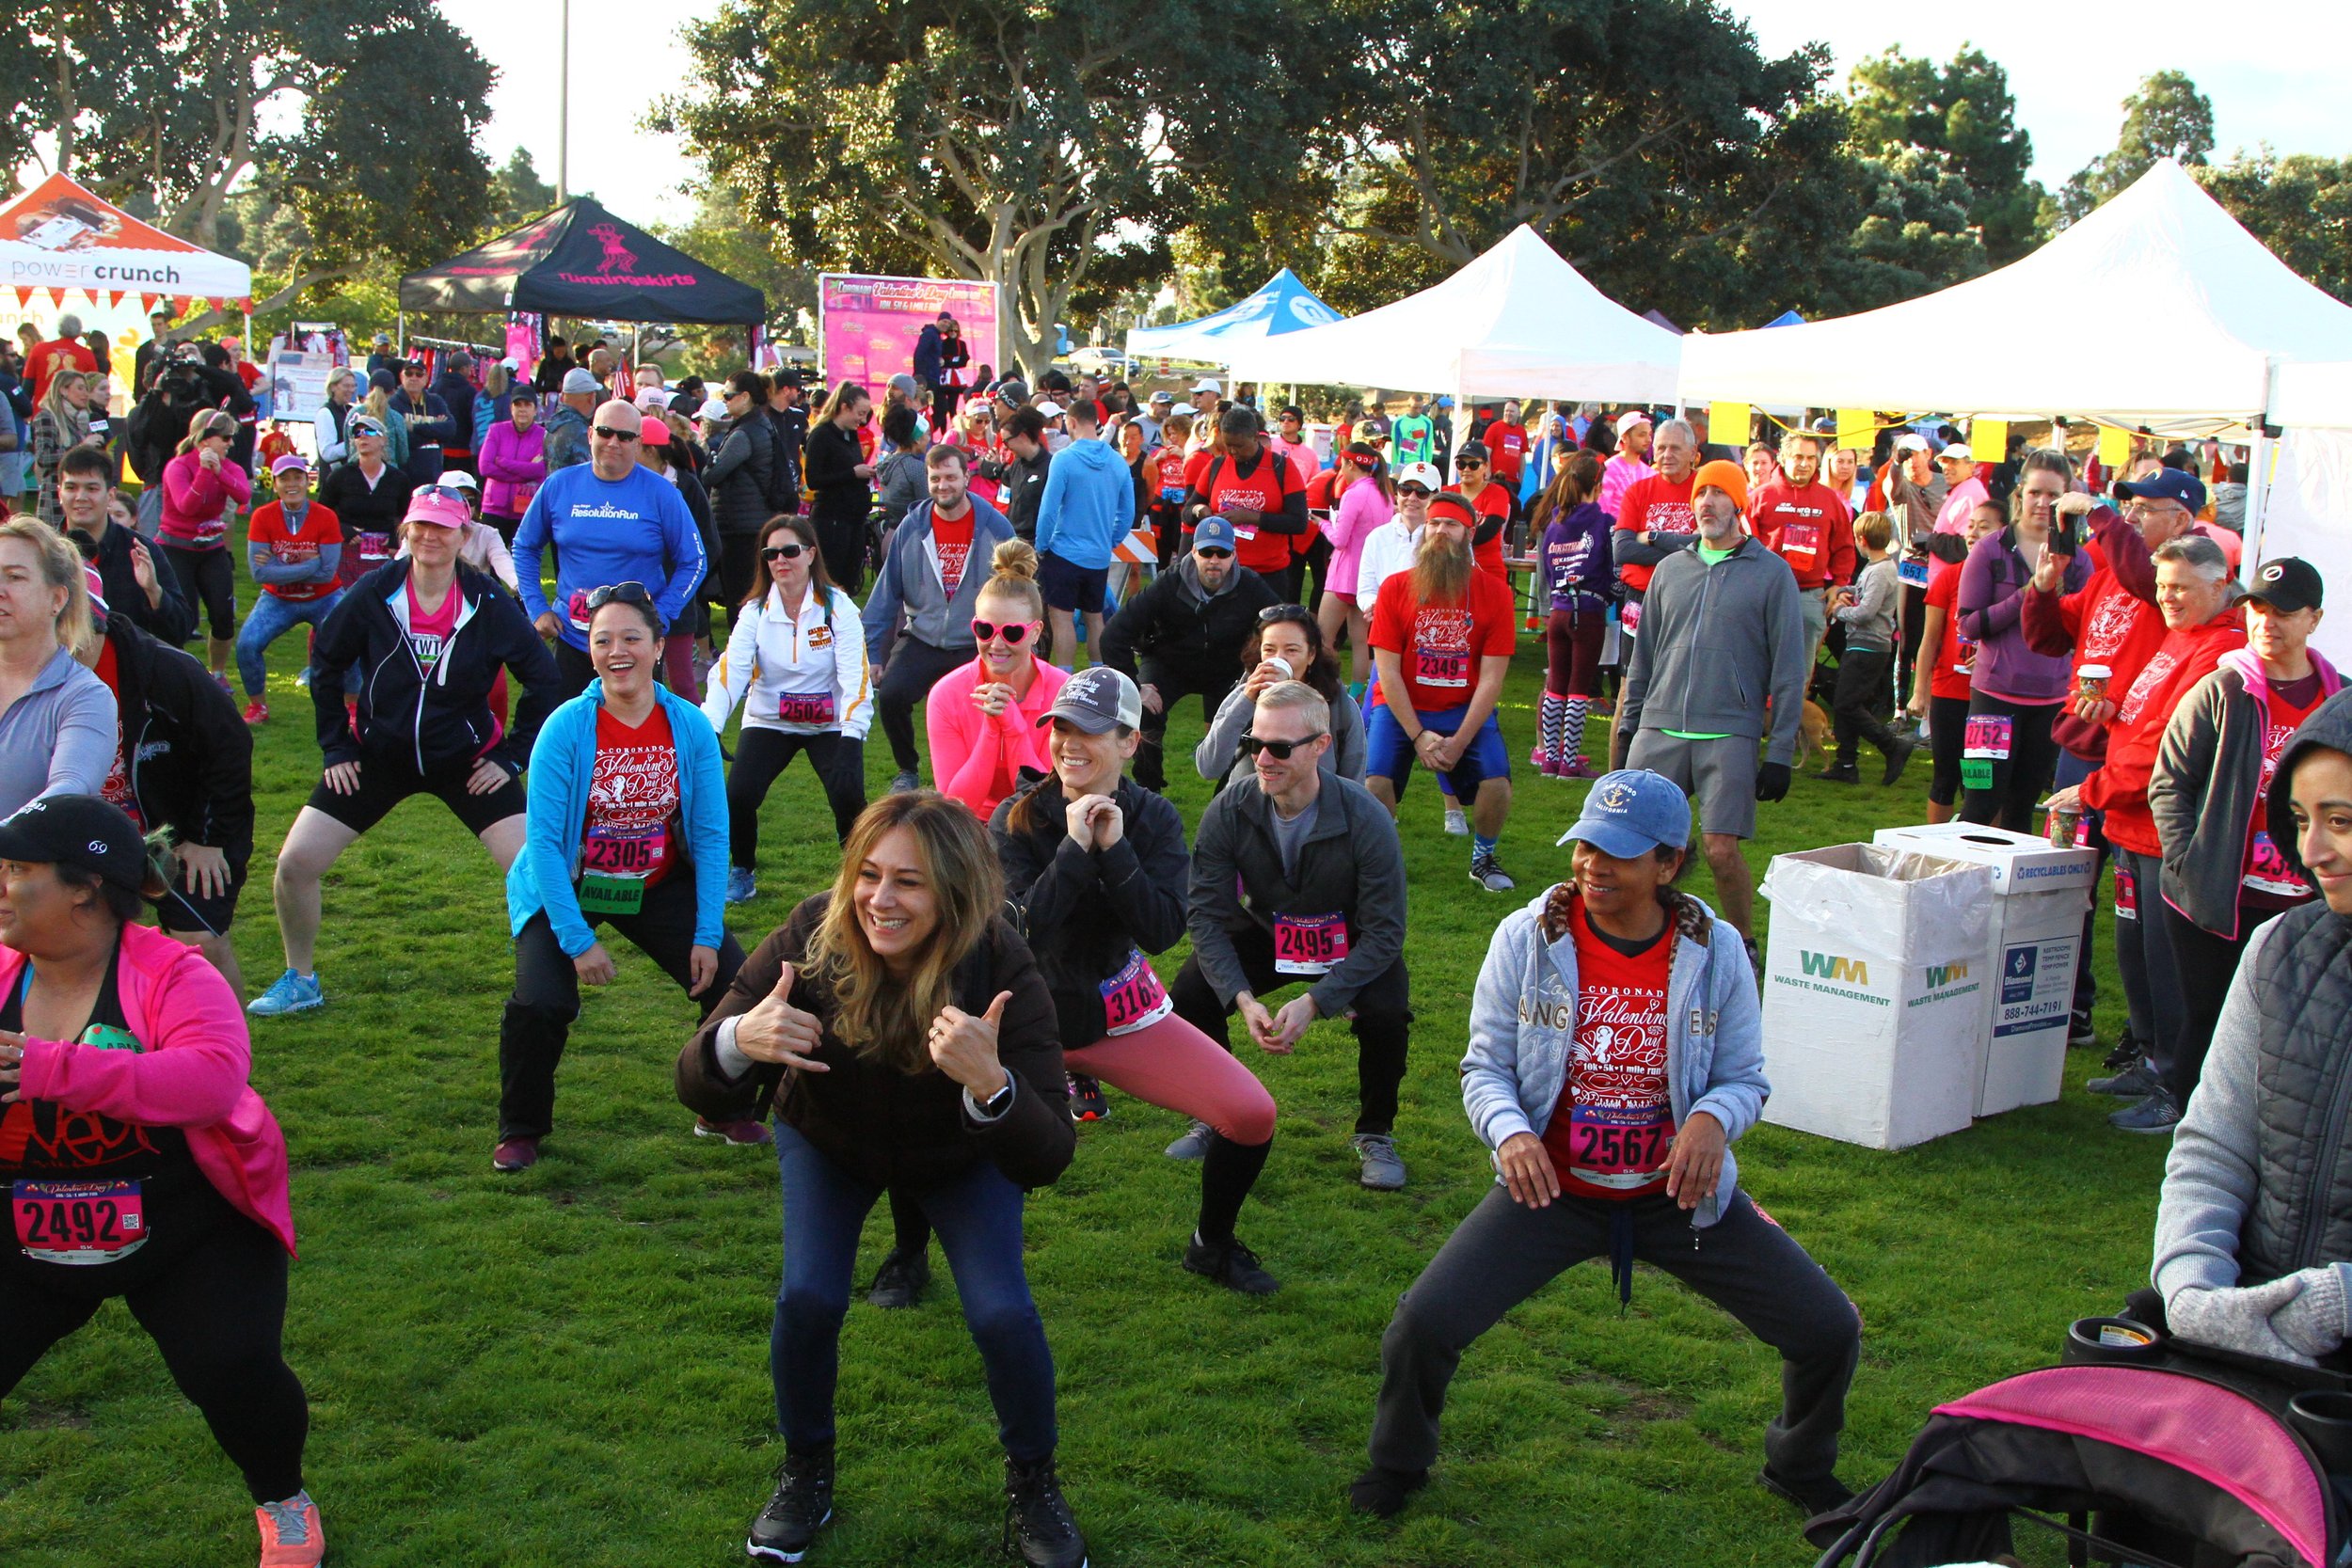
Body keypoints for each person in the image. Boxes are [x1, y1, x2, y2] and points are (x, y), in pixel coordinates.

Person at [1350, 769, 1860, 1524]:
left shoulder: (1717, 949)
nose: (1592, 863)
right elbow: (1483, 1064)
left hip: (1676, 1198)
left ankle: (1799, 1464)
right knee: (1422, 1324)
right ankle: (1397, 1463)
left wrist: (1712, 1120)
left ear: (1668, 864)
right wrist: (1512, 1131)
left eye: (1618, 853)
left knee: (1828, 1327)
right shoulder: (1528, 934)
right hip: (1547, 1192)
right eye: (1586, 844)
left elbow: (1746, 1077)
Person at [675, 791, 1088, 1568]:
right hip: (830, 1139)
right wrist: (738, 1039)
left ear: (956, 891)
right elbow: (694, 1079)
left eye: (910, 881)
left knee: (1002, 1311)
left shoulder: (999, 961)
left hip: (959, 1155)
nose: (880, 900)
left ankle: (1035, 1483)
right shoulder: (811, 935)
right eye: (868, 875)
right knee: (809, 1294)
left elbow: (1050, 1152)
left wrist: (992, 1086)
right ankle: (806, 1470)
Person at [0, 794, 325, 1568]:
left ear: (83, 887)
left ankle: (283, 1498)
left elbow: (212, 1079)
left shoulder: (176, 971)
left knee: (234, 1369)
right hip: (26, 1227)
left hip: (189, 1226)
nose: (1, 885)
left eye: (18, 871)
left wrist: (49, 1068)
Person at [1003, 667, 1281, 1289]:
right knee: (931, 1109)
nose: (1070, 743)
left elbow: (1161, 929)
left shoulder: (1154, 816)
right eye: (1062, 727)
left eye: (1091, 731)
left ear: (1129, 741)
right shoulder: (1016, 816)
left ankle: (1212, 1243)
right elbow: (1016, 932)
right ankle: (910, 1253)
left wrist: (1116, 848)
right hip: (1020, 1020)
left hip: (1117, 1013)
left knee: (1251, 1113)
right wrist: (1075, 851)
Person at [247, 490, 561, 1019]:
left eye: (442, 527)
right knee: (295, 863)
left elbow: (545, 681)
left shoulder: (487, 602)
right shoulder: (374, 592)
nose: (429, 536)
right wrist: (336, 747)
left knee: (537, 870)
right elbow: (326, 661)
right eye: (419, 526)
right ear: (404, 532)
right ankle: (300, 979)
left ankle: (544, 988)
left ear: (465, 537)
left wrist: (511, 757)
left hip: (467, 763)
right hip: (376, 757)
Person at [497, 585, 749, 1172]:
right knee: (541, 1002)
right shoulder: (564, 728)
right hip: (567, 887)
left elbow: (712, 837)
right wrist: (577, 941)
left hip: (656, 884)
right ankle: (522, 1129)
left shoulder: (688, 727)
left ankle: (721, 1106)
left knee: (736, 984)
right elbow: (542, 843)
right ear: (589, 650)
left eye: (632, 638)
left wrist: (707, 933)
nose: (617, 651)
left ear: (659, 646)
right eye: (602, 639)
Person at [2149, 690, 2352, 1370]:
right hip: (2243, 1332)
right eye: (2298, 818)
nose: (2313, 848)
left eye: (2342, 820)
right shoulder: (2277, 949)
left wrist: (2338, 1301)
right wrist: (2190, 1289)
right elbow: (2213, 1146)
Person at [1170, 681, 1412, 1190]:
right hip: (1270, 931)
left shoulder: (1366, 815)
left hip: (1352, 938)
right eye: (1254, 744)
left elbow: (1386, 932)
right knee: (1192, 992)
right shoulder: (1230, 808)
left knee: (1387, 1012)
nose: (1263, 758)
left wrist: (1319, 1000)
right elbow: (1207, 915)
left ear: (1321, 746)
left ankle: (1375, 1133)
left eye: (1279, 748)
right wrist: (1239, 996)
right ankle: (1216, 1115)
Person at [2043, 534, 2246, 1134]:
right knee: (2135, 955)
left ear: (2220, 584)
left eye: (2181, 586)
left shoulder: (2219, 651)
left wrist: (2092, 789)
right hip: (2131, 824)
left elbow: (2168, 750)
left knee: (2168, 964)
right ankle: (2153, 1057)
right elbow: (2147, 717)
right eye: (2162, 587)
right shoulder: (2180, 635)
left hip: (2165, 830)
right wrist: (2113, 714)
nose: (2168, 598)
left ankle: (2180, 1088)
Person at [2147, 557, 2337, 1141]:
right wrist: (2187, 860)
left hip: (2307, 895)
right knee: (2208, 1016)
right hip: (2220, 893)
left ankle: (2275, 1135)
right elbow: (2169, 781)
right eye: (2258, 607)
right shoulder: (2222, 688)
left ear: (2315, 619)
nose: (2267, 622)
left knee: (2298, 1021)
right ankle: (2194, 1132)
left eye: (2284, 612)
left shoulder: (2339, 701)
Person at [1613, 460, 1804, 946]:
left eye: (1719, 493)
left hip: (1728, 729)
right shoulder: (1669, 570)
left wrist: (1779, 750)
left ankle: (1743, 946)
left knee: (1720, 850)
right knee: (1633, 843)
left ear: (1739, 503)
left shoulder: (1772, 574)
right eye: (1701, 494)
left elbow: (1788, 668)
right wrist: (1629, 726)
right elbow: (1643, 658)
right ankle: (1638, 938)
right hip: (1660, 726)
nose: (1707, 503)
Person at [78, 582, 254, 989]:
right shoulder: (22, 667)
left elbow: (229, 747)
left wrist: (208, 838)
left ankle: (224, 1049)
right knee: (76, 943)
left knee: (199, 942)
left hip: (179, 827)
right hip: (85, 827)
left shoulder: (161, 668)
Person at [704, 515, 873, 897]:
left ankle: (859, 874)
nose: (781, 560)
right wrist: (711, 725)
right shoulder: (754, 612)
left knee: (848, 795)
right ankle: (742, 871)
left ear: (811, 554)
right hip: (769, 719)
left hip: (828, 722)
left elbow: (855, 678)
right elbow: (731, 671)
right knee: (739, 795)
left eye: (790, 551)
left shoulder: (839, 608)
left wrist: (851, 736)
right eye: (771, 553)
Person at [1366, 491, 1521, 893]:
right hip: (1402, 707)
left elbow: (1491, 679)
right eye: (1433, 523)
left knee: (1497, 783)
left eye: (1450, 524)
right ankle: (1384, 863)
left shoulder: (1495, 593)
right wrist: (1418, 735)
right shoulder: (1396, 588)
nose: (1439, 531)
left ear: (1468, 534)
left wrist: (1459, 742)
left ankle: (1483, 857)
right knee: (1375, 782)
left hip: (1463, 708)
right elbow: (1387, 672)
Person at [514, 399, 708, 698]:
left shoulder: (662, 494)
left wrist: (663, 614)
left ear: (639, 443)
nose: (614, 442)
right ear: (590, 435)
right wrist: (537, 607)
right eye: (606, 432)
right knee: (568, 735)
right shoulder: (559, 486)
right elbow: (525, 546)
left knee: (631, 738)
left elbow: (694, 561)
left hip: (634, 644)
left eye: (625, 436)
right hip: (572, 637)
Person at [863, 445, 1013, 795]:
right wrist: (873, 655)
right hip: (923, 636)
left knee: (984, 708)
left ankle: (982, 771)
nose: (943, 485)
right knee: (893, 695)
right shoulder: (912, 528)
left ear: (966, 478)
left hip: (976, 641)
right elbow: (885, 595)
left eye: (950, 477)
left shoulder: (995, 527)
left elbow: (1017, 591)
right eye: (935, 479)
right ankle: (907, 769)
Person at [1956, 450, 2093, 831]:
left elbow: (2083, 631)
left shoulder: (2079, 560)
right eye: (2036, 493)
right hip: (1993, 696)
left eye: (2054, 496)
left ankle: (2011, 890)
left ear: (2069, 497)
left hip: (2049, 700)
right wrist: (2031, 594)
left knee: (2022, 808)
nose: (2044, 504)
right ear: (2021, 493)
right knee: (1979, 804)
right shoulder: (1989, 549)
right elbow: (1969, 625)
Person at [1099, 517, 1279, 792]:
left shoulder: (1251, 586)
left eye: (1222, 553)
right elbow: (1113, 635)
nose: (1214, 561)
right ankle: (1148, 789)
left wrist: (1260, 668)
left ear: (1234, 555)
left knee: (1247, 718)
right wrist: (1136, 688)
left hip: (1227, 669)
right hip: (1169, 664)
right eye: (1206, 552)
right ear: (1193, 552)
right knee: (1144, 712)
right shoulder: (1168, 583)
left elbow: (1283, 625)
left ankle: (1229, 793)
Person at [926, 543, 1071, 821]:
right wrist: (992, 729)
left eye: (1012, 632)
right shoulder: (947, 694)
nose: (997, 644)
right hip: (972, 827)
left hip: (1040, 823)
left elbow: (1044, 802)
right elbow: (958, 805)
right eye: (985, 629)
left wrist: (1013, 727)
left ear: (1036, 632)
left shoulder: (1062, 692)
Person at [0, 518, 115, 816]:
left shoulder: (85, 696)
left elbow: (70, 789)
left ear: (57, 598)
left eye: (15, 577)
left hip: (24, 859)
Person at [1194, 601, 1367, 790]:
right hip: (1248, 810)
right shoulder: (1243, 696)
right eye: (1269, 650)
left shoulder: (1340, 706)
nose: (1279, 658)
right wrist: (1245, 702)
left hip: (1317, 812)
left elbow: (1354, 785)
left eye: (1291, 650)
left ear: (1311, 655)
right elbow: (1209, 767)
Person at [1906, 499, 2006, 824]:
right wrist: (1920, 691)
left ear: (2004, 532)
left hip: (1991, 697)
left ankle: (1985, 849)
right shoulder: (1949, 578)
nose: (1974, 532)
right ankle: (1937, 852)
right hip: (1949, 693)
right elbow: (1929, 640)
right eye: (1971, 525)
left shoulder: (2009, 582)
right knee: (1945, 776)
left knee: (1980, 781)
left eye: (1984, 525)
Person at [234, 455, 342, 724]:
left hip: (324, 596)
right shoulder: (262, 516)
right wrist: (312, 562)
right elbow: (260, 573)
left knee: (347, 640)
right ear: (275, 484)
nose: (291, 484)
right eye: (284, 478)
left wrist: (278, 564)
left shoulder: (326, 516)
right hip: (277, 597)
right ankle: (257, 706)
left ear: (308, 482)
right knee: (247, 644)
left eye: (297, 478)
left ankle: (352, 706)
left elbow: (327, 573)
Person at [1531, 450, 1615, 780]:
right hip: (1589, 610)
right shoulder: (1602, 521)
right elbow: (1612, 568)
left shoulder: (1555, 523)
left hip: (1559, 609)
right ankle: (1569, 760)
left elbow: (1549, 570)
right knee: (1579, 688)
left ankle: (1551, 757)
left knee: (1556, 685)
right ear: (1597, 485)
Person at [1815, 511, 1917, 784]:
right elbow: (1863, 594)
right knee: (1847, 702)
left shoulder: (1881, 570)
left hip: (1870, 646)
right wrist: (1844, 590)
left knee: (1846, 704)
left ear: (1861, 540)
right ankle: (1846, 763)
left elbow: (1865, 613)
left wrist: (1837, 611)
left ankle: (1891, 744)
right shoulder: (1876, 568)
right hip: (1863, 644)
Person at [54, 444, 191, 643]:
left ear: (110, 496)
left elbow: (179, 633)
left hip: (125, 669)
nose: (80, 497)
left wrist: (154, 591)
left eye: (91, 488)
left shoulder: (140, 550)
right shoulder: (43, 551)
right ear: (59, 493)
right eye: (71, 487)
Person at [1747, 431, 1856, 678]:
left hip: (1810, 596)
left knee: (1799, 673)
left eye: (1810, 458)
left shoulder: (1829, 499)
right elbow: (1743, 545)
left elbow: (1844, 547)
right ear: (1783, 458)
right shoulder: (1761, 497)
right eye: (1798, 457)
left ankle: (1789, 716)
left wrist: (1839, 585)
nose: (1805, 464)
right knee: (1756, 666)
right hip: (1766, 594)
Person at [1032, 401, 1130, 668]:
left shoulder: (1063, 459)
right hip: (1098, 556)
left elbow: (1048, 510)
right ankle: (1098, 676)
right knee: (1094, 617)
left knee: (1062, 619)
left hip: (1063, 552)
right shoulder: (1117, 462)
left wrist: (1041, 546)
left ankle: (1064, 680)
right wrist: (1110, 541)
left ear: (1071, 422)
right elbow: (1128, 512)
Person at [157, 409, 248, 684]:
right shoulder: (178, 466)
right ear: (205, 440)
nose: (231, 443)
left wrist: (218, 471)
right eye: (226, 437)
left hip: (211, 549)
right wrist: (206, 473)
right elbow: (187, 505)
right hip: (176, 548)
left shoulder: (228, 467)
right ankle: (174, 675)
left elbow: (243, 495)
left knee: (222, 615)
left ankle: (217, 674)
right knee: (180, 619)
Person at [1184, 406, 1309, 602]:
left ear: (1255, 437)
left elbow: (1299, 522)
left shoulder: (1282, 467)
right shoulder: (1216, 466)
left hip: (1268, 574)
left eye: (1239, 445)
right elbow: (1188, 511)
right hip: (1223, 571)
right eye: (1228, 445)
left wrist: (1251, 517)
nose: (1233, 451)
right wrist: (1200, 511)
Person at [1610, 418, 1701, 630]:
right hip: (1640, 597)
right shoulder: (1637, 491)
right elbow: (1623, 551)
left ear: (1692, 451)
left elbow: (1709, 547)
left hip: (1689, 596)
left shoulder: (1705, 491)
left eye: (1675, 448)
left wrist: (1652, 537)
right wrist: (1687, 552)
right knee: (1635, 664)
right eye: (1661, 448)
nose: (1666, 455)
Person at [1316, 444, 1391, 695]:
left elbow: (1339, 539)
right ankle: (1358, 694)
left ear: (1350, 465)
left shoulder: (1354, 493)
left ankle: (1323, 688)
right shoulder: (1385, 493)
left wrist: (1322, 524)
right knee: (1361, 641)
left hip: (1343, 577)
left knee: (1322, 638)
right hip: (1369, 578)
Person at [706, 371, 783, 608]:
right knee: (753, 595)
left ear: (745, 397)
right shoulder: (764, 425)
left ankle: (742, 643)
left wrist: (710, 461)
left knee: (740, 597)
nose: (725, 401)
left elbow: (713, 475)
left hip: (740, 527)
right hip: (756, 520)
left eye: (728, 395)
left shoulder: (743, 434)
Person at [315, 414, 415, 592]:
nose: (362, 436)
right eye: (357, 433)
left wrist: (396, 539)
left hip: (385, 552)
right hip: (347, 551)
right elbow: (321, 513)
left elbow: (409, 516)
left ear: (383, 439)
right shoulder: (340, 476)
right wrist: (342, 529)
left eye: (369, 431)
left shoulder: (398, 479)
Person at [803, 382, 879, 594]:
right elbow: (814, 479)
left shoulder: (850, 435)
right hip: (832, 519)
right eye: (860, 413)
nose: (863, 420)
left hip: (853, 517)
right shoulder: (821, 435)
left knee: (849, 578)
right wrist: (852, 474)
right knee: (830, 578)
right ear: (844, 407)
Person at [476, 383, 546, 543]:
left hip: (525, 510)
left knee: (520, 562)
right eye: (517, 404)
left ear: (535, 410)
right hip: (493, 508)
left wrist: (503, 462)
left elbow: (540, 471)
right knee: (490, 563)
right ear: (511, 408)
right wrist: (524, 472)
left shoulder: (543, 436)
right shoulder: (496, 430)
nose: (522, 409)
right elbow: (485, 467)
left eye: (527, 405)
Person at [31, 368, 97, 528]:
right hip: (55, 496)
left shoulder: (82, 420)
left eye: (87, 389)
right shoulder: (47, 417)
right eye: (80, 388)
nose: (85, 394)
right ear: (63, 389)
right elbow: (44, 457)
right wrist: (81, 447)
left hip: (80, 496)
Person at [1451, 442, 1517, 583]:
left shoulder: (1497, 493)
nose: (1466, 469)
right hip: (1452, 567)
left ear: (1485, 466)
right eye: (1461, 464)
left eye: (1473, 465)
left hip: (1488, 568)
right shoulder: (1447, 492)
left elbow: (1488, 530)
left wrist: (1450, 536)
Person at [389, 361, 452, 483]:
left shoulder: (436, 401)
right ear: (402, 377)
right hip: (405, 477)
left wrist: (414, 428)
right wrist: (434, 434)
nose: (414, 378)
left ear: (426, 378)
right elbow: (402, 440)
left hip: (434, 476)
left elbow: (450, 430)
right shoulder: (393, 404)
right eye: (409, 373)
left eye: (419, 374)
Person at [24, 313, 95, 404]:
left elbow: (28, 385)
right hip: (74, 413)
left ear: (59, 329)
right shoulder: (87, 354)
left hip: (42, 411)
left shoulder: (39, 349)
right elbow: (93, 386)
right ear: (79, 332)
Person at [1596, 412, 1654, 523]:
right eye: (1642, 434)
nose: (1648, 439)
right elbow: (1601, 511)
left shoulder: (1651, 473)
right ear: (1625, 437)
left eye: (1649, 434)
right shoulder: (1608, 470)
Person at [543, 367, 597, 471]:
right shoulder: (581, 432)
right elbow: (590, 473)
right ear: (591, 397)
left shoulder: (551, 427)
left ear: (563, 396)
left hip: (553, 487)